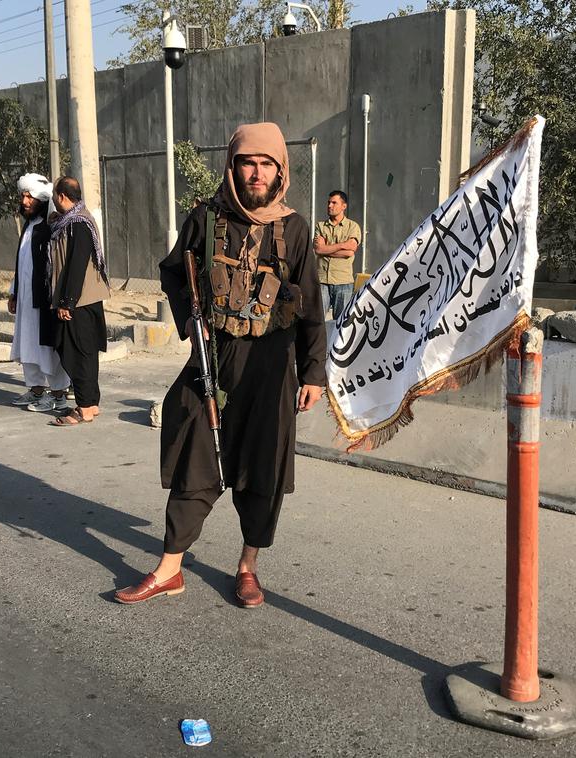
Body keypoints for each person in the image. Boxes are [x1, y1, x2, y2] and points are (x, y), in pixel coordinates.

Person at [115, 122, 326, 607]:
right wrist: (191, 320)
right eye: (248, 162)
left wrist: (314, 373)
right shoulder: (205, 218)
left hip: (272, 367)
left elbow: (312, 306)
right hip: (213, 358)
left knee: (262, 469)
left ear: (280, 171)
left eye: (266, 164)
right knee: (194, 458)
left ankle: (248, 566)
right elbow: (173, 272)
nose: (256, 173)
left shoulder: (294, 228)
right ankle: (170, 568)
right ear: (233, 166)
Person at [46, 176, 111, 427]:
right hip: (82, 299)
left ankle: (83, 407)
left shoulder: (78, 224)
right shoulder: (71, 221)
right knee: (86, 352)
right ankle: (91, 404)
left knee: (75, 352)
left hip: (79, 301)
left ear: (61, 196)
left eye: (54, 195)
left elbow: (77, 264)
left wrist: (67, 301)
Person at [7, 173, 72, 413]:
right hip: (26, 300)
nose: (24, 201)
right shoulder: (30, 225)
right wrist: (14, 293)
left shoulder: (51, 226)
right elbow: (22, 263)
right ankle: (36, 391)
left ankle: (58, 396)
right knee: (28, 345)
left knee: (48, 347)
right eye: (23, 196)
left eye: (29, 197)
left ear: (42, 200)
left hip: (45, 301)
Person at [313, 190, 361, 321]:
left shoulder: (353, 226)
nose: (329, 205)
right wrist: (342, 245)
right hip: (323, 281)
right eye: (329, 202)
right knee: (318, 322)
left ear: (343, 206)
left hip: (343, 282)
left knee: (342, 323)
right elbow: (318, 249)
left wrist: (326, 248)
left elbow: (351, 249)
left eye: (334, 203)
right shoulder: (321, 226)